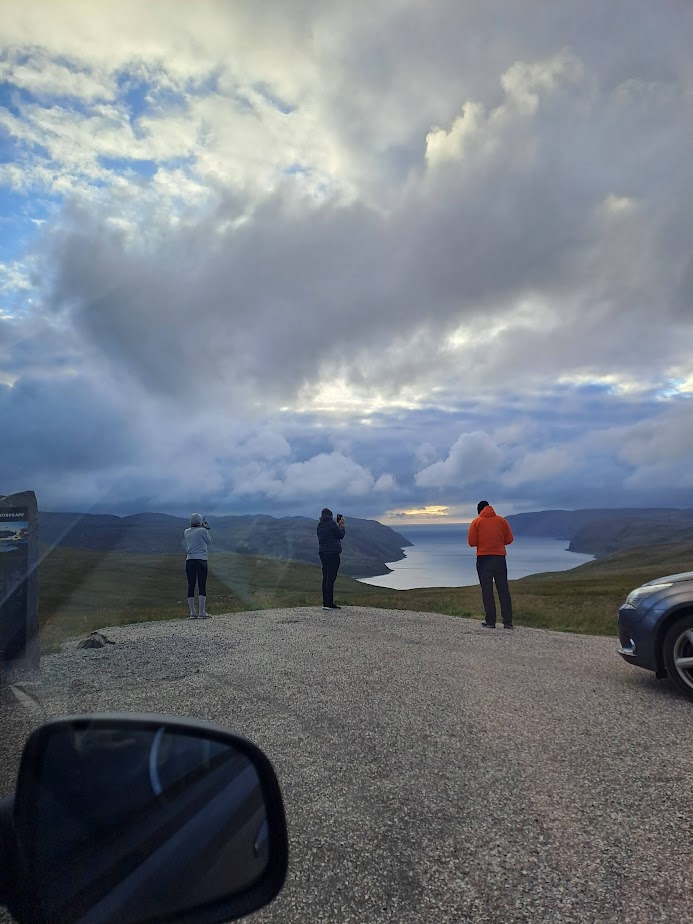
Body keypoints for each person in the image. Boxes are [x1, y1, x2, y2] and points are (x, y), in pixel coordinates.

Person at [467, 500, 514, 629]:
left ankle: (490, 621)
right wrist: (497, 543)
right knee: (503, 590)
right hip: (500, 558)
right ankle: (508, 622)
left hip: (483, 559)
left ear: (479, 510)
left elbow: (471, 542)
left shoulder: (476, 522)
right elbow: (509, 539)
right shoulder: (501, 521)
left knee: (487, 590)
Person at [317, 508, 345, 610]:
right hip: (333, 553)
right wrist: (341, 526)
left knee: (325, 577)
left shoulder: (319, 526)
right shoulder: (332, 524)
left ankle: (325, 602)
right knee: (331, 578)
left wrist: (336, 527)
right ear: (330, 515)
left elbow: (330, 535)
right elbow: (340, 535)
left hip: (323, 553)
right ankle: (329, 603)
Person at [183, 513, 211, 618]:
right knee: (201, 585)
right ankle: (202, 612)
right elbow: (209, 541)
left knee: (191, 585)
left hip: (189, 560)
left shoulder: (186, 531)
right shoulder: (203, 531)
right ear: (200, 521)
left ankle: (192, 612)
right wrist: (206, 528)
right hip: (201, 559)